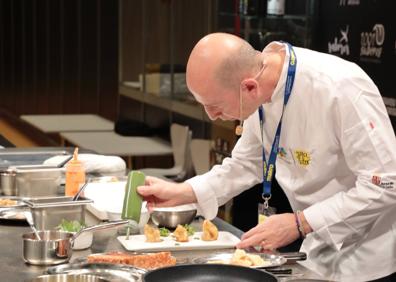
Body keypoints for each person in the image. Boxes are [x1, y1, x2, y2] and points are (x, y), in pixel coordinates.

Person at [137, 33, 396, 281]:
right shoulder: (257, 91)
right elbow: (245, 163)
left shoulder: (341, 88)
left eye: (214, 106)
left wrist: (300, 223)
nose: (212, 116)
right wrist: (185, 192)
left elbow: (386, 184)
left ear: (249, 87)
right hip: (316, 251)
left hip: (368, 257)